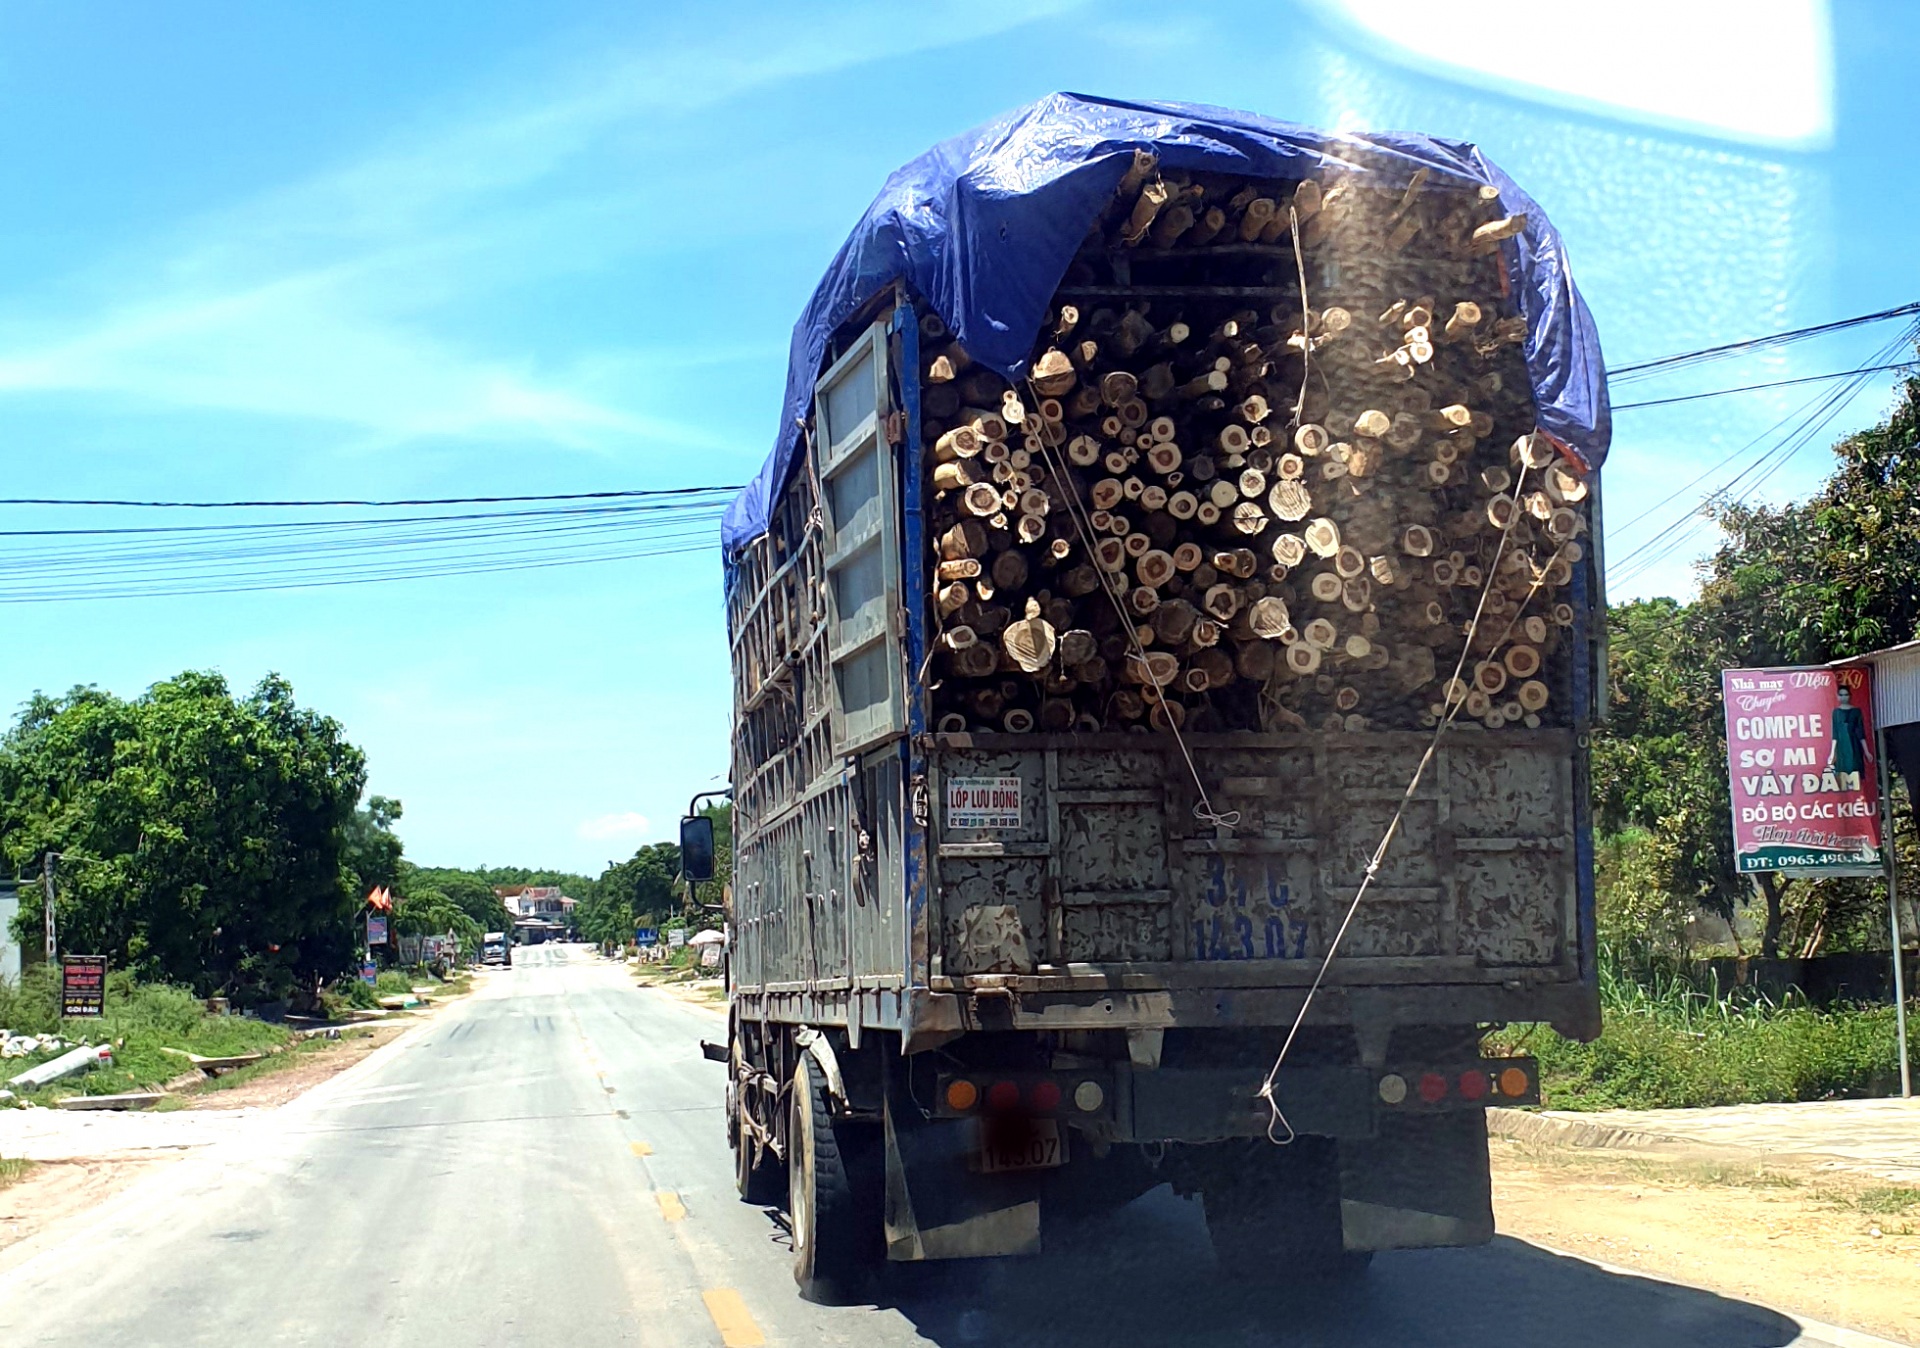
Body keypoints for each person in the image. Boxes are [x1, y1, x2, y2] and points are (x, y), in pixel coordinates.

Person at [1829, 681, 1869, 792]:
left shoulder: (1856, 712)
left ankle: (1858, 796)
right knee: (1842, 773)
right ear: (1837, 696)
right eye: (1841, 695)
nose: (1843, 697)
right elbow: (1835, 734)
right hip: (1841, 747)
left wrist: (1866, 751)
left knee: (1856, 771)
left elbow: (1860, 732)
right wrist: (1832, 753)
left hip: (1854, 745)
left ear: (1850, 696)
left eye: (1846, 694)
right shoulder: (1836, 712)